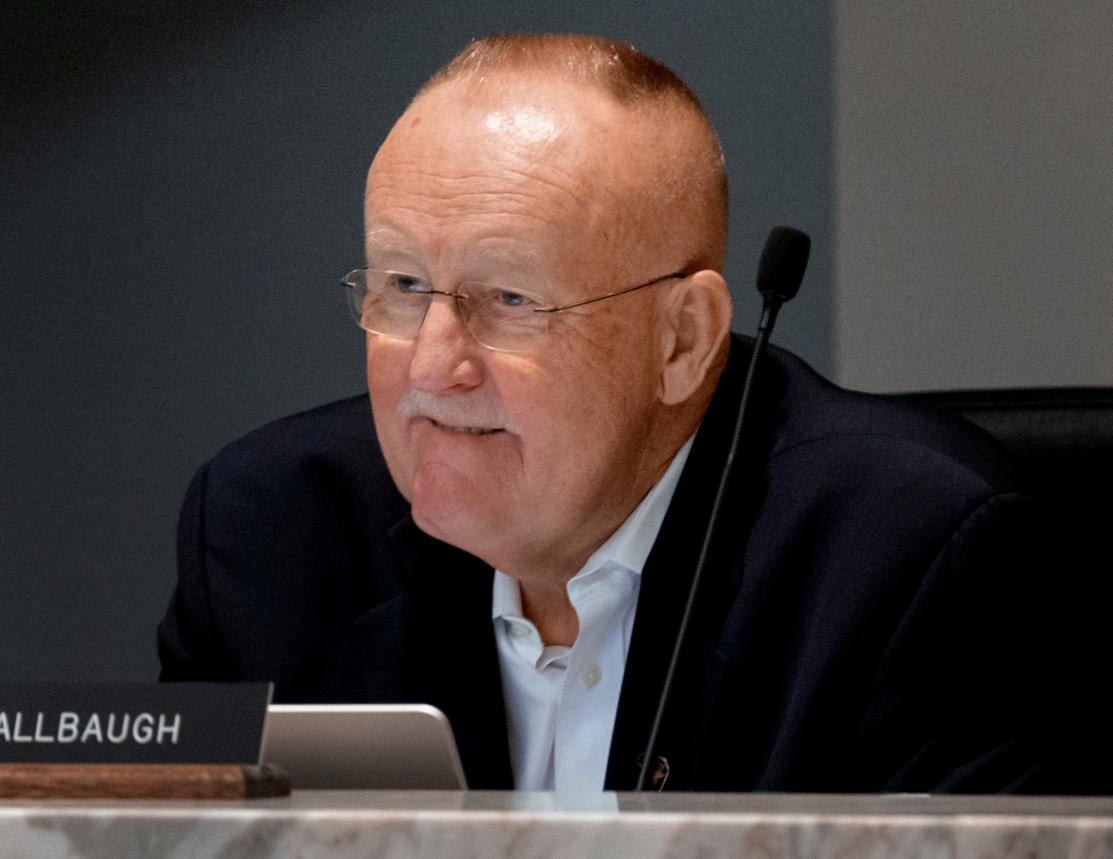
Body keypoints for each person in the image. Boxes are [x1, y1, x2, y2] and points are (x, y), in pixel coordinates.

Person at [158, 33, 1057, 792]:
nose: (433, 366)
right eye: (402, 286)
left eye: (508, 297)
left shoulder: (908, 561)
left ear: (680, 340)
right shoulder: (267, 535)